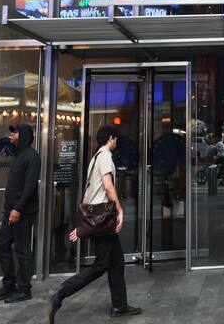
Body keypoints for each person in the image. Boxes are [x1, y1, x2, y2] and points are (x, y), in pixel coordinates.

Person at [48, 125, 141, 322]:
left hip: (97, 219)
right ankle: (61, 293)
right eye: (115, 139)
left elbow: (87, 193)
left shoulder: (95, 158)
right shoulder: (105, 155)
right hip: (103, 219)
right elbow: (108, 186)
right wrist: (119, 209)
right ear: (111, 138)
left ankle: (120, 305)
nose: (116, 142)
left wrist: (82, 223)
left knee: (116, 262)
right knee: (101, 264)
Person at [0, 122, 40, 303]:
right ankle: (9, 284)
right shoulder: (18, 155)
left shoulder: (32, 156)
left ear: (24, 135)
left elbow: (30, 185)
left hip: (22, 212)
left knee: (22, 249)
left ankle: (24, 288)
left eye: (15, 133)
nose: (11, 136)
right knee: (2, 245)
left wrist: (18, 208)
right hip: (10, 210)